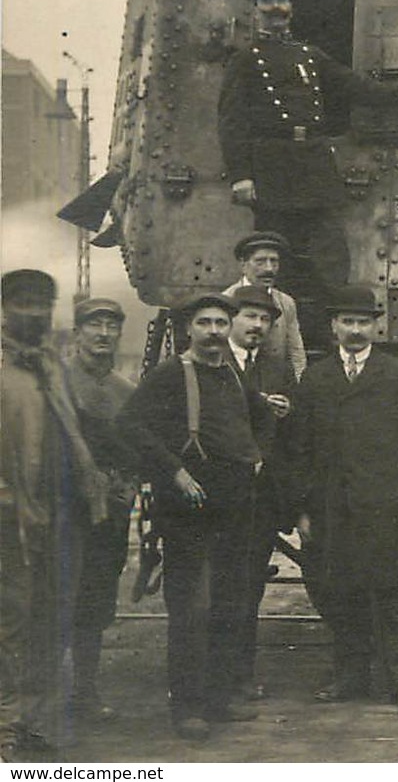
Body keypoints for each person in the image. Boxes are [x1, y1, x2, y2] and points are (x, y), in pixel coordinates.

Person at [217, 0, 398, 305]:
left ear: (291, 8)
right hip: (272, 163)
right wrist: (241, 176)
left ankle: (334, 321)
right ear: (255, 10)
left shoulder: (308, 55)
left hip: (313, 161)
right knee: (276, 251)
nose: (276, 8)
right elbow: (230, 121)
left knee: (331, 250)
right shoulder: (245, 58)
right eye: (267, 2)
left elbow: (356, 86)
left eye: (282, 0)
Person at [285, 285, 398, 711]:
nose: (355, 330)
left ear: (377, 326)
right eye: (347, 322)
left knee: (393, 595)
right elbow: (299, 447)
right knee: (340, 594)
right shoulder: (315, 379)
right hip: (332, 509)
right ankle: (350, 677)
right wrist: (303, 507)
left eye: (363, 322)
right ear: (333, 327)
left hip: (387, 507)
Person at [122, 292, 266, 740]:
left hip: (233, 502)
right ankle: (187, 707)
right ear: (189, 329)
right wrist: (175, 471)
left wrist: (256, 451)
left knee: (229, 603)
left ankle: (217, 700)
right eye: (204, 323)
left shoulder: (231, 374)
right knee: (191, 608)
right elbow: (130, 425)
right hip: (188, 505)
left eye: (221, 323)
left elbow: (252, 418)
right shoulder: (170, 374)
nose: (214, 332)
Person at [1, 270, 106, 759]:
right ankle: (5, 730)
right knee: (9, 627)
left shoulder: (51, 366)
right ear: (4, 309)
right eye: (24, 304)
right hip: (9, 519)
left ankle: (32, 724)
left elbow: (75, 432)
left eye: (44, 304)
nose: (37, 314)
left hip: (62, 517)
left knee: (51, 621)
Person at [63, 298, 138, 724]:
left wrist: (125, 486)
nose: (103, 334)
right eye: (94, 325)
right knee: (53, 598)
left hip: (107, 514)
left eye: (111, 325)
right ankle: (43, 695)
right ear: (77, 333)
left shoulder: (127, 391)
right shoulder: (54, 383)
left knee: (94, 602)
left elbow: (136, 453)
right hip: (60, 510)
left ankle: (85, 692)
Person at [221, 283, 296, 703]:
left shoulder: (275, 369)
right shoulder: (215, 362)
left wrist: (287, 411)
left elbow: (291, 431)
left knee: (249, 587)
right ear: (233, 320)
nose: (258, 325)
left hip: (258, 498)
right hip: (219, 493)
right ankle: (207, 675)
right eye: (250, 316)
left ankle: (240, 676)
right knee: (215, 587)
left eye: (265, 320)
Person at [228, 231, 305, 382]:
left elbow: (296, 352)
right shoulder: (227, 299)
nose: (269, 269)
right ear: (243, 265)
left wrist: (299, 390)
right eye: (260, 262)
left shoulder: (286, 303)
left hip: (272, 385)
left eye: (274, 261)